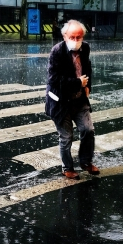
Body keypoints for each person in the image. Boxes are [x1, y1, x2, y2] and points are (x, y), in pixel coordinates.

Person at [45, 19, 100, 180]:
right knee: (67, 137)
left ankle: (85, 162)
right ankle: (67, 167)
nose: (76, 41)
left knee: (88, 130)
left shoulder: (86, 48)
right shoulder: (57, 51)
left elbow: (87, 67)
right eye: (73, 37)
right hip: (60, 102)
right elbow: (53, 80)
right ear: (64, 36)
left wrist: (88, 85)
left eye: (79, 37)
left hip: (79, 99)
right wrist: (77, 83)